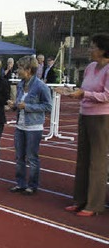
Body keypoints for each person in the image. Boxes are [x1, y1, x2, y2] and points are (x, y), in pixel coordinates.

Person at [61, 33, 109, 217]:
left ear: (103, 50)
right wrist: (72, 92)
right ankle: (79, 200)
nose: (89, 49)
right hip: (85, 114)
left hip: (101, 118)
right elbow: (85, 89)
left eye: (92, 46)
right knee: (82, 159)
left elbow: (106, 96)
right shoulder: (90, 67)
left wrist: (84, 94)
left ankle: (94, 204)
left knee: (97, 161)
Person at [8, 56, 52, 195]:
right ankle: (20, 183)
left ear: (28, 70)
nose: (18, 70)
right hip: (20, 125)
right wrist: (14, 105)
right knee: (19, 156)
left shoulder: (40, 86)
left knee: (32, 157)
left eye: (20, 68)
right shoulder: (21, 84)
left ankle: (32, 185)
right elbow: (20, 104)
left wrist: (27, 106)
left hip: (33, 126)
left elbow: (48, 106)